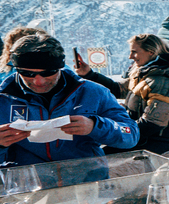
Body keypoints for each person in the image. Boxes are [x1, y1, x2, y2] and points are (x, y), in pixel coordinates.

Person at [0, 33, 139, 165]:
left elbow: (130, 133)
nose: (39, 82)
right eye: (27, 74)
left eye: (48, 73)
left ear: (60, 67)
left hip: (85, 181)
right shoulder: (3, 99)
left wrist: (95, 126)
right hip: (28, 183)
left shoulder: (93, 92)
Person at [79, 34, 169, 154]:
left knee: (96, 155)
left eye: (134, 52)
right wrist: (89, 75)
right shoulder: (146, 72)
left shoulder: (163, 81)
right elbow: (119, 89)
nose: (130, 57)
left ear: (151, 52)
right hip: (140, 136)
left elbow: (153, 123)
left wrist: (118, 133)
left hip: (154, 142)